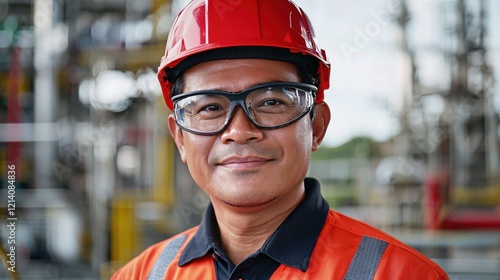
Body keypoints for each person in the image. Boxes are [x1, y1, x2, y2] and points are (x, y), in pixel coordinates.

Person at [112, 0, 449, 279]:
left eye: (271, 102)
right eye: (211, 107)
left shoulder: (401, 273)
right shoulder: (140, 275)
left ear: (316, 126)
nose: (240, 130)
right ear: (181, 139)